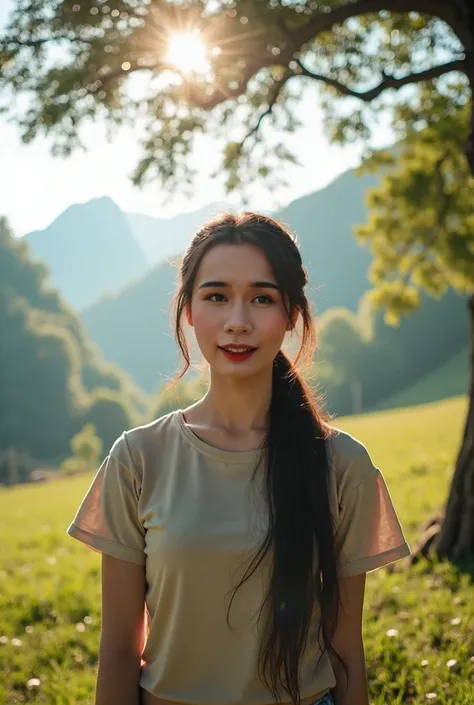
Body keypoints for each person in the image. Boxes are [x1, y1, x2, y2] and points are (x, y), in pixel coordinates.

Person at [67, 212, 411, 705]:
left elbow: (345, 651)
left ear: (292, 314)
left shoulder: (342, 464)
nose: (237, 322)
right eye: (216, 296)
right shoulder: (137, 459)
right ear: (188, 310)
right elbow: (121, 649)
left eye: (262, 298)